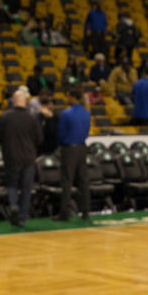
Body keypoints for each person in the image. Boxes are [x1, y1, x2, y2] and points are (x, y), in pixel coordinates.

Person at [0, 89, 42, 227]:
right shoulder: (32, 117)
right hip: (28, 158)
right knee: (26, 189)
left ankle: (13, 205)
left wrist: (7, 143)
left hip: (11, 157)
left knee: (12, 185)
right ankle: (22, 218)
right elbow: (39, 138)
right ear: (25, 102)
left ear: (13, 101)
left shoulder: (4, 116)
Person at [55, 88, 92, 221]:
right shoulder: (86, 113)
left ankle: (64, 213)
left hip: (69, 148)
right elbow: (87, 131)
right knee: (83, 180)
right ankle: (86, 211)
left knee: (67, 181)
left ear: (72, 97)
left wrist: (63, 143)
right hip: (82, 148)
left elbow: (60, 133)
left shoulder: (66, 113)